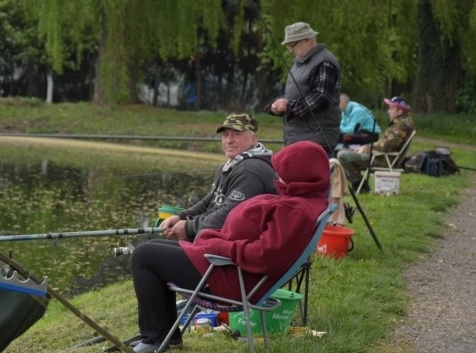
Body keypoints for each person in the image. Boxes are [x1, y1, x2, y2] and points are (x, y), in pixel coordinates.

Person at [130, 141, 330, 353]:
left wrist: (220, 245)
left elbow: (266, 257)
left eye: (282, 172)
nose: (277, 177)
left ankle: (153, 339)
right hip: (225, 267)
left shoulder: (296, 211)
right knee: (154, 246)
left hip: (229, 277)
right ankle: (168, 337)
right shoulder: (304, 200)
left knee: (144, 256)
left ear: (299, 175)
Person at [160, 113, 279, 241]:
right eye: (225, 135)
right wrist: (182, 216)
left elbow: (228, 215)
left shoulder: (250, 170)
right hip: (218, 241)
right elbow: (210, 200)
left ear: (253, 139)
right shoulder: (232, 165)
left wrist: (189, 227)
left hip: (236, 250)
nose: (229, 140)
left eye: (236, 134)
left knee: (145, 253)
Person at [267, 22, 341, 155]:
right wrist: (277, 104)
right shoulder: (300, 63)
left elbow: (322, 97)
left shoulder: (324, 62)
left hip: (315, 139)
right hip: (299, 138)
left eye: (292, 44)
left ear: (306, 40)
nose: (290, 50)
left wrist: (289, 107)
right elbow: (298, 96)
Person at [336, 96, 415, 192]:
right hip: (380, 156)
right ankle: (360, 186)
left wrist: (366, 148)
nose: (388, 111)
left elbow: (386, 146)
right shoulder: (401, 123)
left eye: (391, 108)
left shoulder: (401, 126)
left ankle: (360, 185)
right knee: (345, 153)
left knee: (343, 155)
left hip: (383, 160)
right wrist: (365, 147)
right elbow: (384, 143)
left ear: (400, 112)